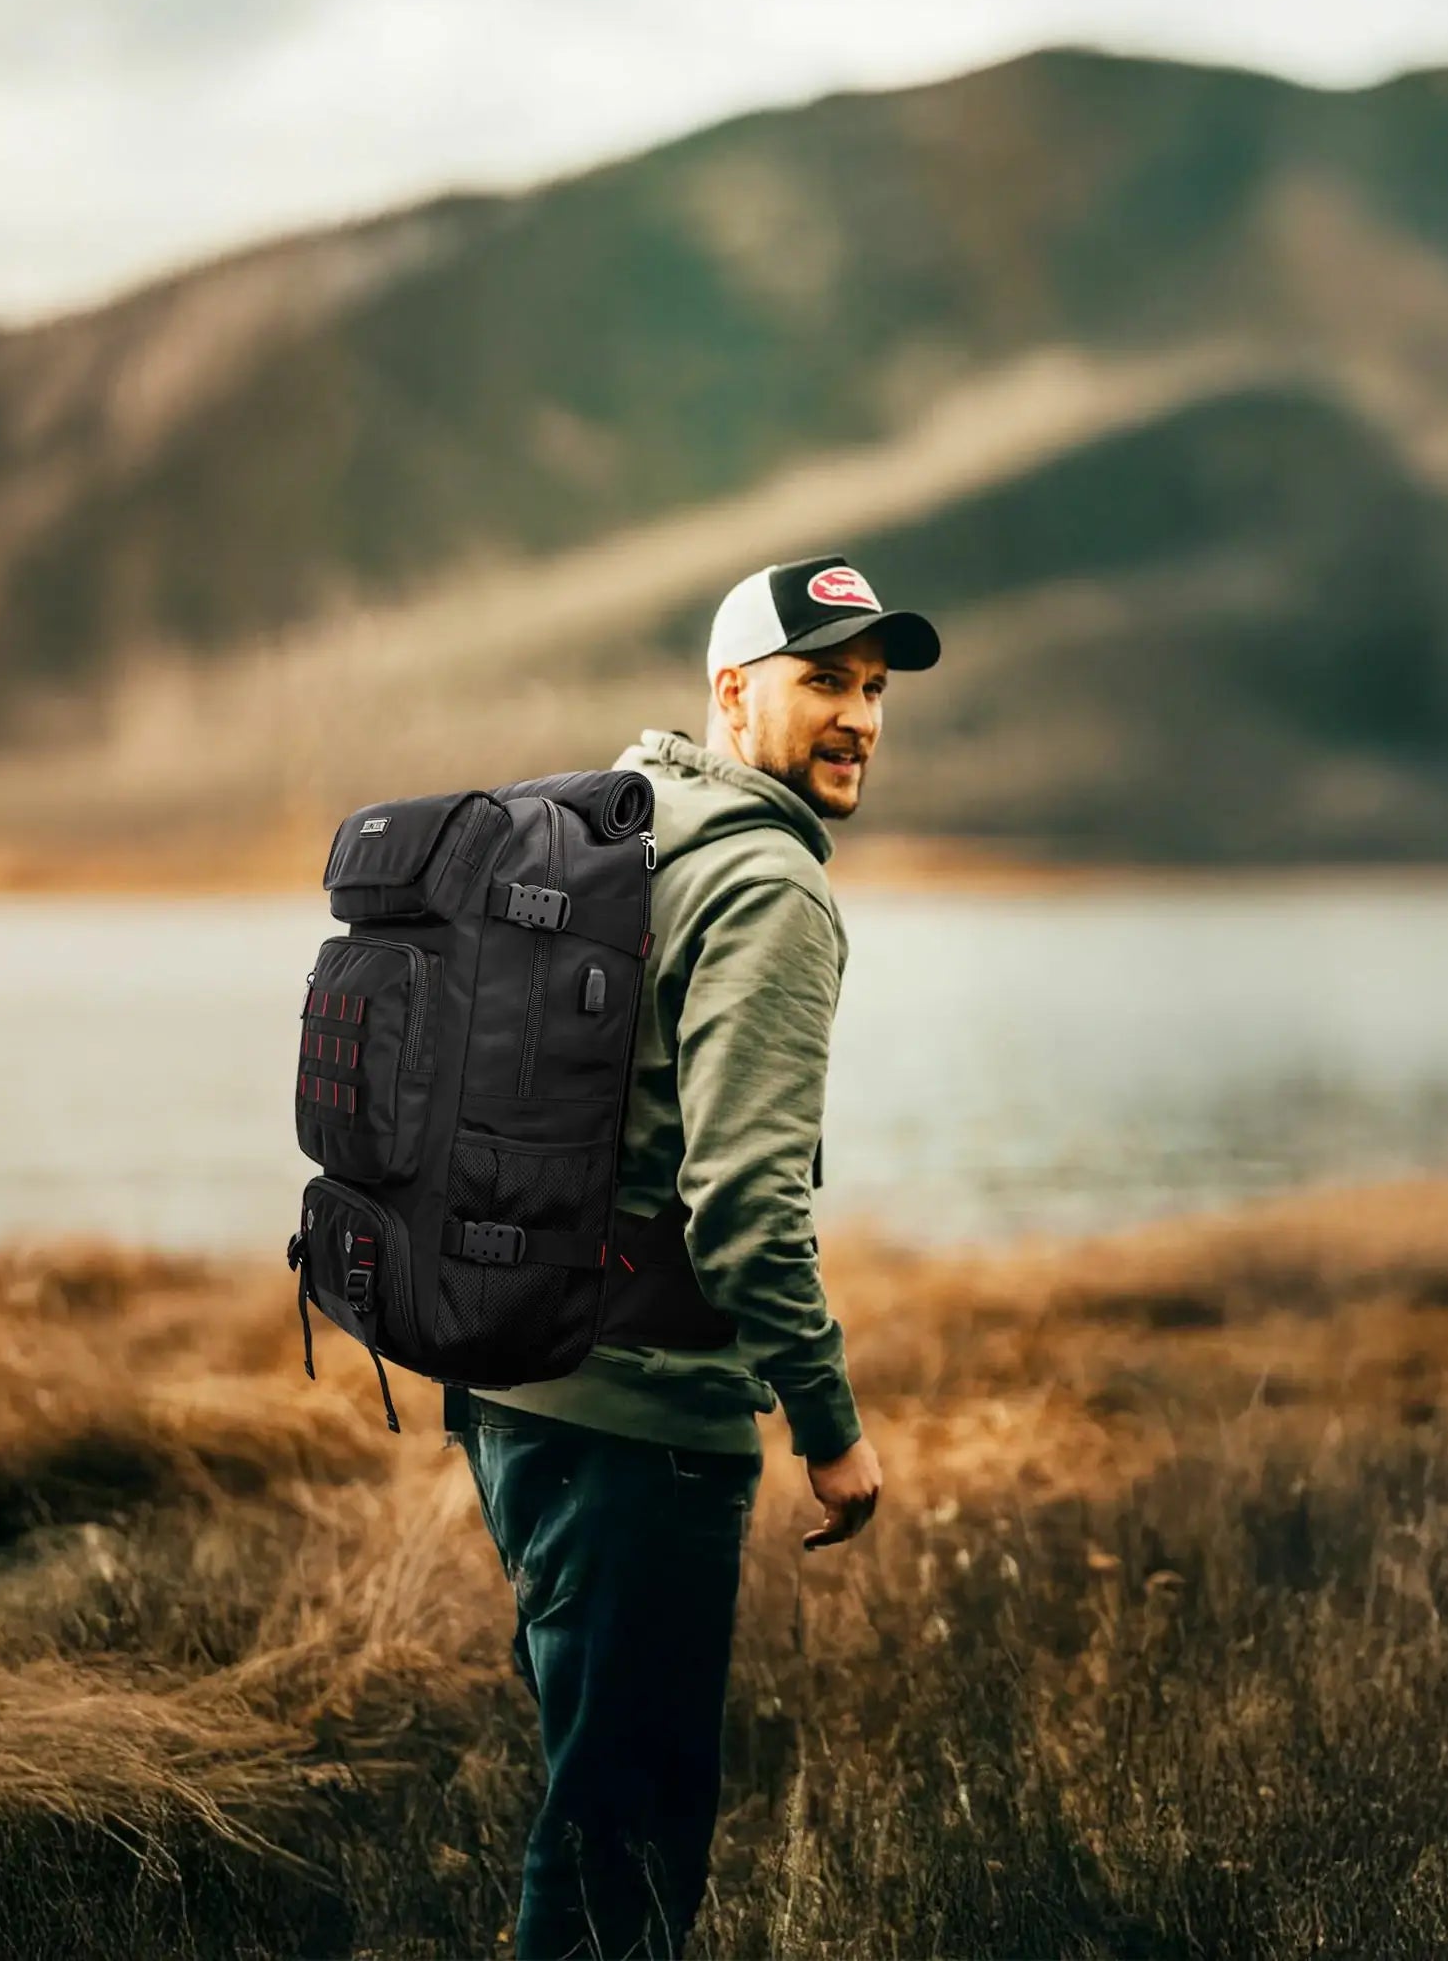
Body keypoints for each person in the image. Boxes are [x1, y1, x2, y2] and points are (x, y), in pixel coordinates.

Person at [454, 552, 941, 1959]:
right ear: (732, 693)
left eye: (873, 688)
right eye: (823, 683)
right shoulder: (769, 887)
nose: (858, 717)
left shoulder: (601, 829)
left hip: (507, 1388)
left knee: (587, 1798)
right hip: (643, 1420)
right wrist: (832, 1430)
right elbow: (743, 1205)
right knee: (627, 1844)